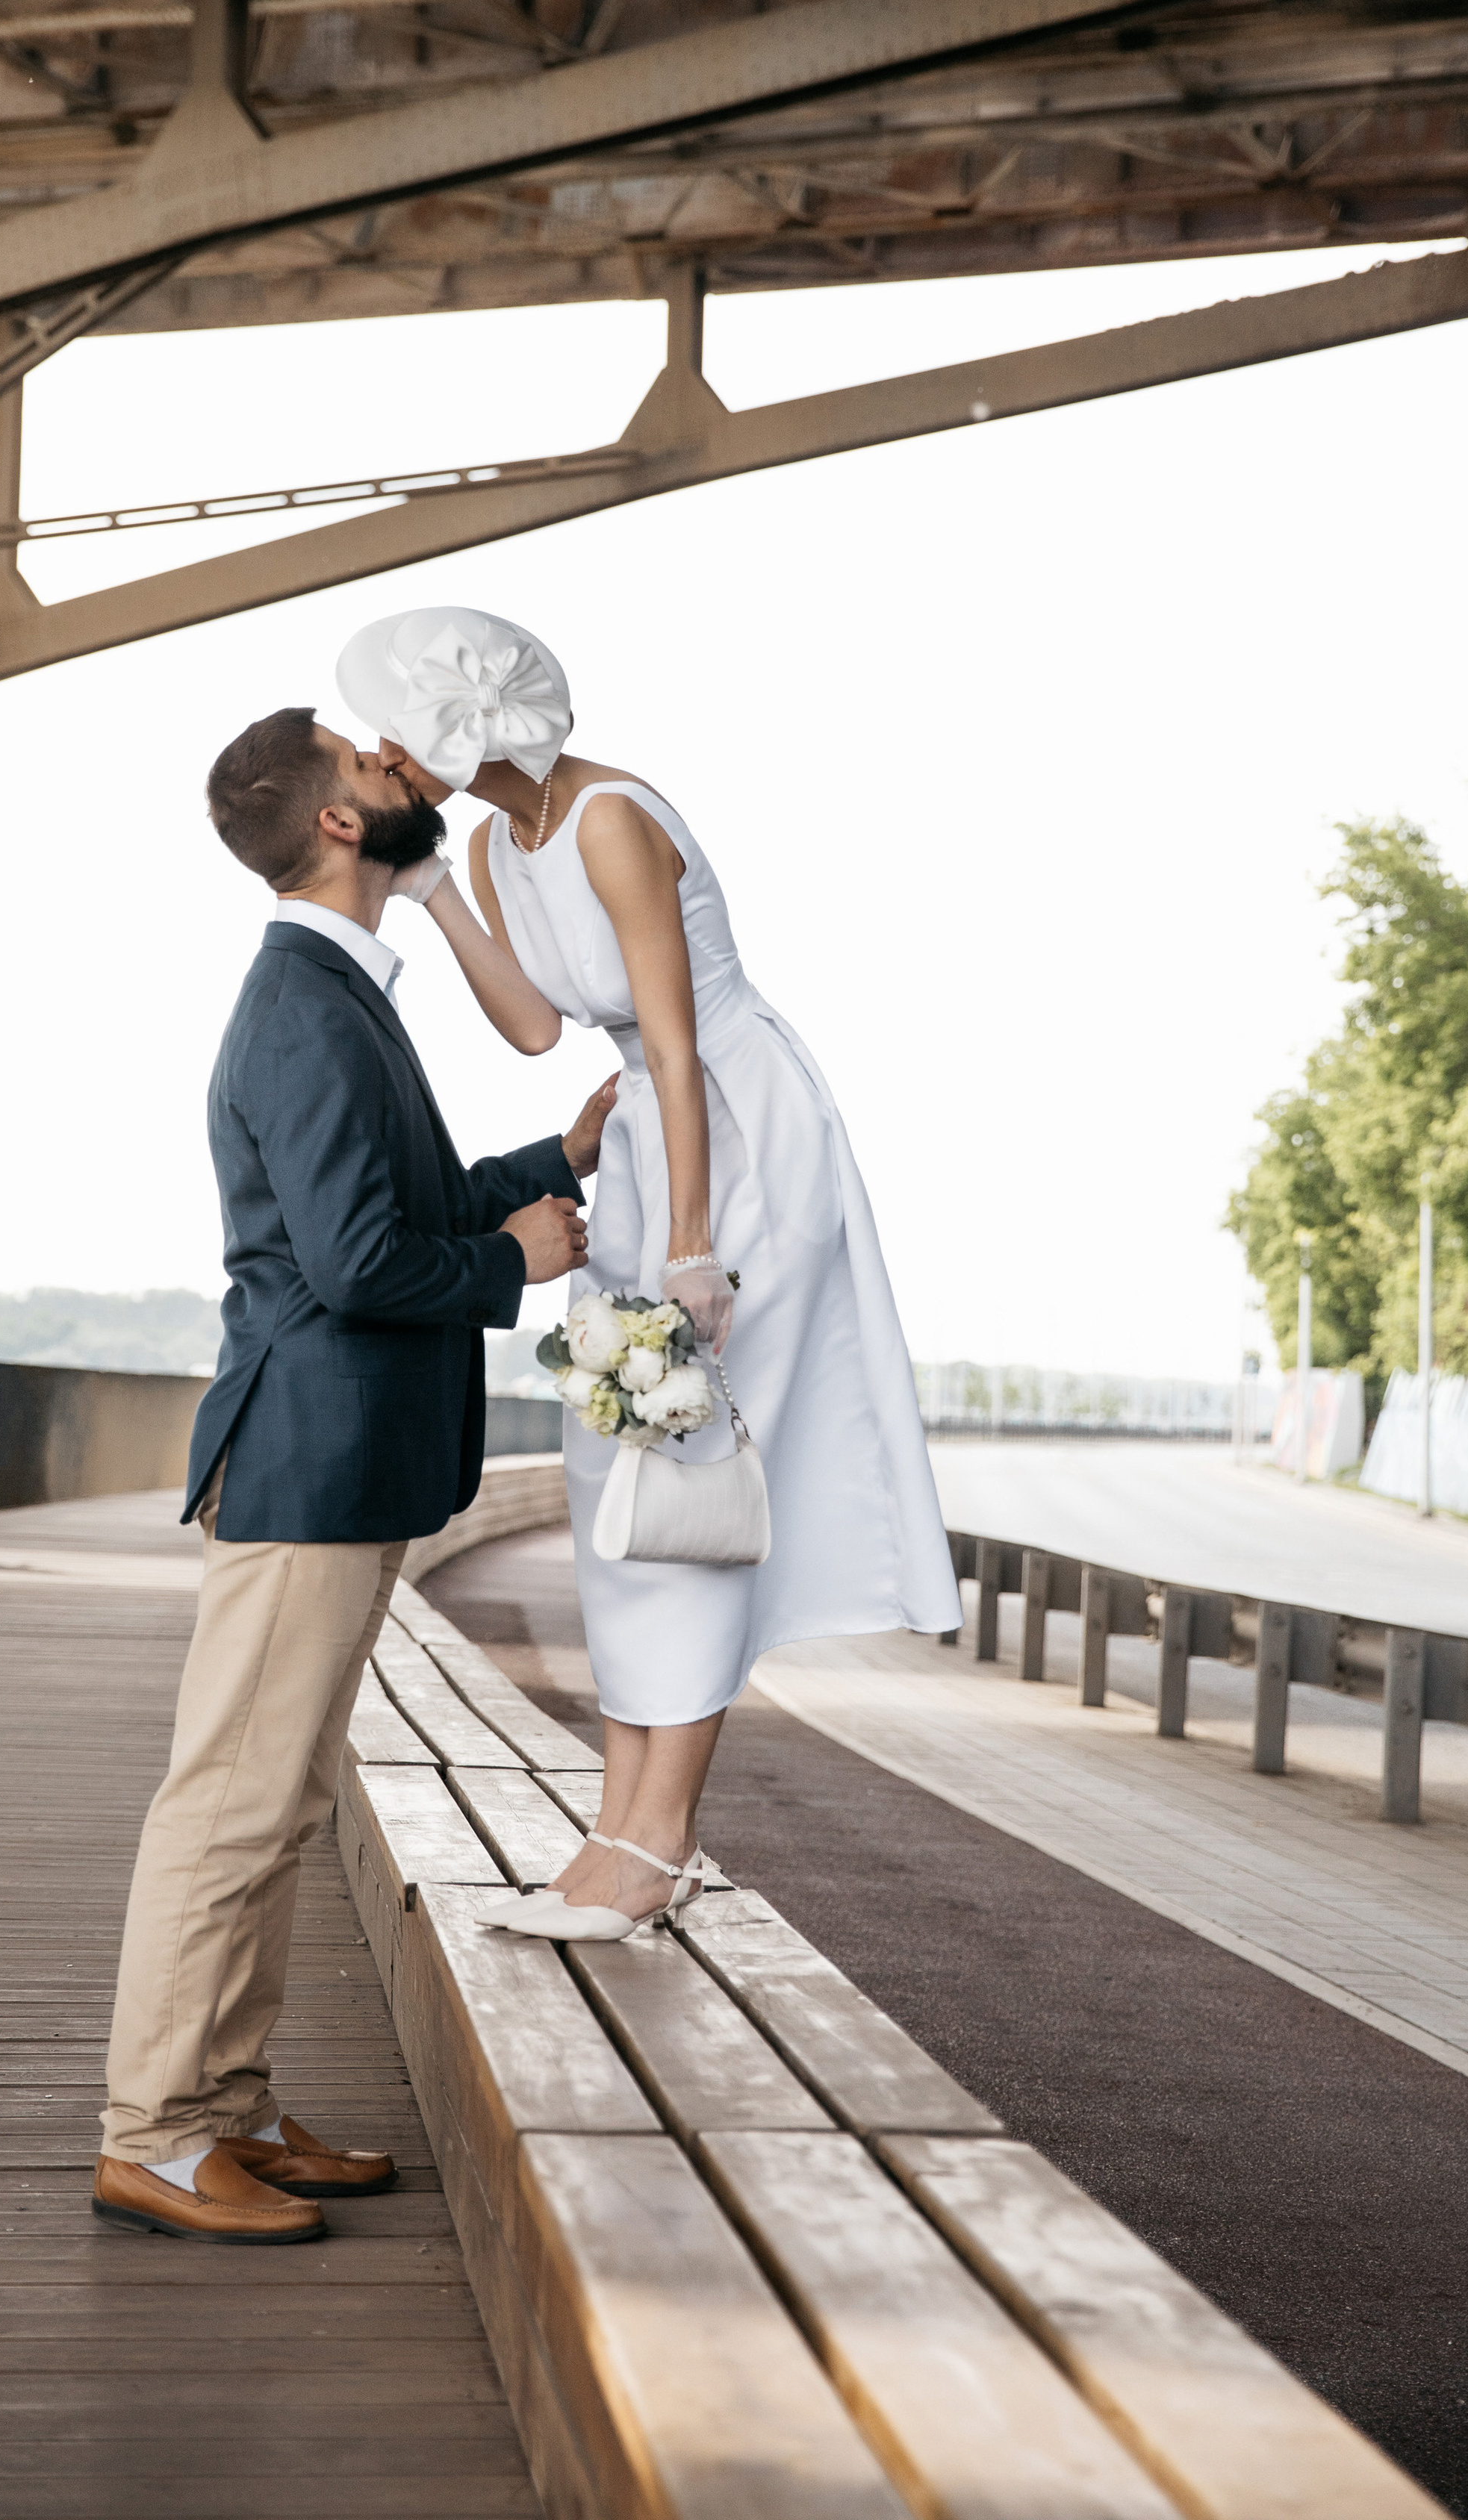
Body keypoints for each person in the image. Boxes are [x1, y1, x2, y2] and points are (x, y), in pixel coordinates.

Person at [335, 605, 962, 1944]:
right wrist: (440, 887)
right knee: (619, 1469)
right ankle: (619, 1831)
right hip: (642, 1142)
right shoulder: (507, 838)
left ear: (459, 721)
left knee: (692, 1468)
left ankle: (658, 1843)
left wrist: (691, 1248)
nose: (384, 753)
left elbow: (677, 1048)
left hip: (730, 1141)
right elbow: (535, 1029)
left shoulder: (613, 815)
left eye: (401, 725)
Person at [93, 706, 609, 2241]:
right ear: (332, 822)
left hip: (342, 1454)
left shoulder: (335, 990)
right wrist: (509, 1264)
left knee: (277, 1799)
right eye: (369, 764)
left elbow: (408, 1200)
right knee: (232, 1807)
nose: (400, 770)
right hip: (310, 1456)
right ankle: (156, 2131)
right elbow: (361, 1259)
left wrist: (550, 1169)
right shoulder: (308, 1005)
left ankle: (224, 2109)